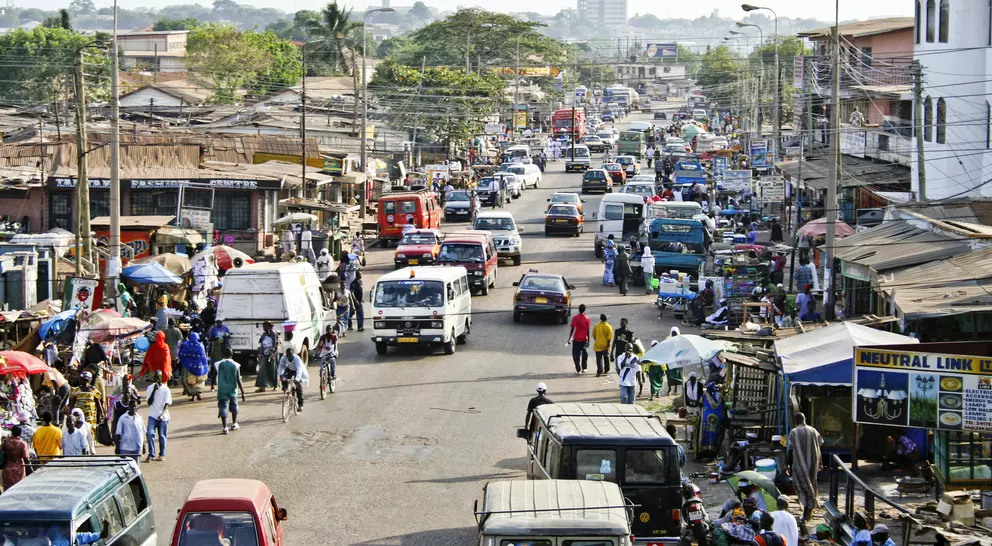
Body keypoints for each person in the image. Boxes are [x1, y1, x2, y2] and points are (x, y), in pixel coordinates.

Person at [787, 412, 823, 523]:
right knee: (811, 484)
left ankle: (808, 507)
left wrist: (787, 464)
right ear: (805, 419)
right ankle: (809, 507)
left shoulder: (793, 432)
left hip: (799, 465)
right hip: (812, 463)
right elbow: (820, 444)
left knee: (801, 485)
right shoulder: (813, 430)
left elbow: (790, 449)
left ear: (796, 421)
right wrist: (820, 462)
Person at [145, 371, 171, 462]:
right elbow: (149, 402)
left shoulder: (166, 389)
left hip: (163, 416)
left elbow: (167, 404)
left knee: (162, 436)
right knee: (149, 433)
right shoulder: (150, 388)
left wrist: (162, 414)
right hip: (152, 415)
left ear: (161, 378)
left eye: (158, 377)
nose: (156, 380)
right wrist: (154, 391)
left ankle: (162, 454)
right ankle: (151, 454)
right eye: (155, 378)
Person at [179, 332, 210, 401]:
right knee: (198, 381)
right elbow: (204, 357)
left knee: (191, 381)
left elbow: (182, 354)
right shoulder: (201, 346)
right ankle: (197, 394)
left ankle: (193, 396)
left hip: (189, 367)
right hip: (199, 367)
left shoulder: (186, 345)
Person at [278, 347, 309, 412]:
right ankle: (286, 389)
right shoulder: (284, 358)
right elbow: (281, 366)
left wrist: (297, 379)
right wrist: (280, 375)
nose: (289, 358)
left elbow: (299, 370)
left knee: (298, 386)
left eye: (290, 356)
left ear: (293, 355)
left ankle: (300, 404)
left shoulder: (297, 359)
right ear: (286, 355)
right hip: (289, 369)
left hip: (297, 371)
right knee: (283, 377)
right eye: (288, 356)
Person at [255, 322, 279, 393]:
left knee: (273, 370)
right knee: (262, 371)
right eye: (263, 326)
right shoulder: (264, 334)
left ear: (268, 326)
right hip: (264, 355)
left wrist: (274, 355)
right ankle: (262, 387)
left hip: (272, 355)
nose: (263, 328)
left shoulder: (274, 334)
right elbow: (261, 344)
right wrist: (259, 354)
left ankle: (275, 385)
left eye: (264, 326)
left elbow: (277, 345)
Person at [567, 304, 591, 374]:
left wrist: (569, 338)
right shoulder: (587, 318)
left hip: (576, 339)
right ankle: (584, 368)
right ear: (584, 310)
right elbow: (588, 330)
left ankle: (578, 369)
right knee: (584, 354)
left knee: (575, 355)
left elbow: (572, 328)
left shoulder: (575, 318)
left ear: (578, 309)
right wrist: (588, 340)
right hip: (584, 339)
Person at [665, 327, 683, 395]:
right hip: (669, 360)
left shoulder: (680, 340)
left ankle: (675, 389)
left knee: (677, 374)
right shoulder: (667, 339)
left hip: (677, 360)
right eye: (673, 333)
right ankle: (669, 389)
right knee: (669, 375)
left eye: (675, 333)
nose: (674, 335)